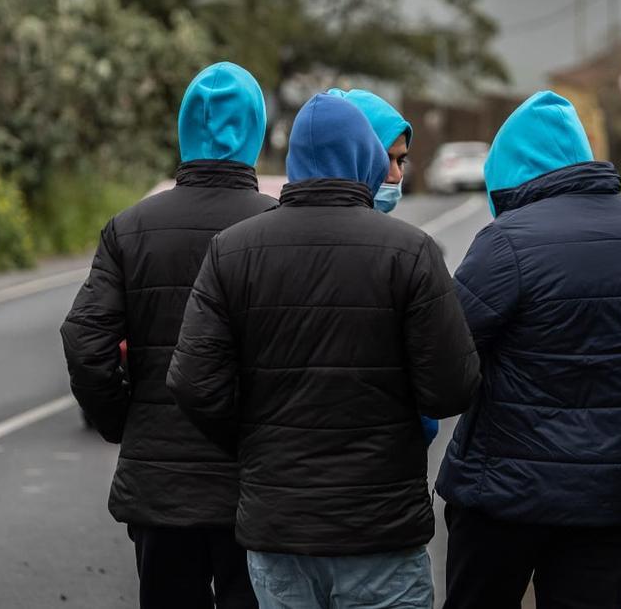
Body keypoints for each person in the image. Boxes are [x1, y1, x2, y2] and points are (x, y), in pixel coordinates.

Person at [166, 93, 480, 609]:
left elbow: (191, 381)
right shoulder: (411, 251)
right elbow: (452, 388)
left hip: (278, 522)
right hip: (380, 525)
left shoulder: (232, 250)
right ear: (365, 158)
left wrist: (251, 439)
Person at [435, 91, 621, 609]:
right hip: (611, 498)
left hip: (504, 495)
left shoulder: (507, 241)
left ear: (514, 172)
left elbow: (449, 352)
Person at [60, 62, 275, 609]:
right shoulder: (279, 228)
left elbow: (86, 341)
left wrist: (123, 420)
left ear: (184, 130)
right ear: (256, 130)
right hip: (256, 482)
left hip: (160, 486)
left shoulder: (130, 227)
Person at [326, 87, 440, 445]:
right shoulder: (409, 254)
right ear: (351, 152)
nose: (393, 174)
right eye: (383, 158)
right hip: (386, 466)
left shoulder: (406, 248)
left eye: (400, 161)